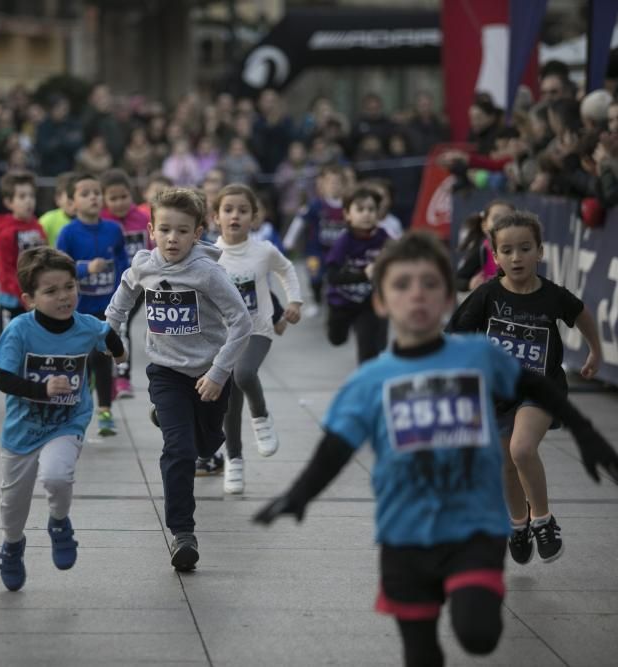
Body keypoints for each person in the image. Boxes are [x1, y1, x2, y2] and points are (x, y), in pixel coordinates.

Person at [254, 231, 618, 667]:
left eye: (429, 284)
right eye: (402, 285)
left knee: (479, 635)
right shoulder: (371, 380)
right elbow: (334, 448)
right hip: (404, 535)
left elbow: (536, 385)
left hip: (474, 528)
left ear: (448, 298)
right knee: (420, 652)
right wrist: (299, 495)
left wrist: (587, 435)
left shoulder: (477, 355)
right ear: (381, 303)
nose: (417, 295)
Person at [105, 188, 251, 571]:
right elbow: (123, 293)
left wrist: (219, 372)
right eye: (165, 230)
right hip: (166, 373)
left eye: (182, 231)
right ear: (151, 229)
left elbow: (242, 322)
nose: (172, 239)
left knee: (207, 440)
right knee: (180, 451)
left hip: (210, 375)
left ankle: (190, 427)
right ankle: (182, 533)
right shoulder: (144, 264)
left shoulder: (208, 272)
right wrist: (110, 329)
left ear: (198, 232)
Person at [447, 212, 603, 565]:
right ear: (495, 256)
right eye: (507, 250)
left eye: (525, 248)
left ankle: (543, 520)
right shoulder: (485, 295)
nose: (516, 257)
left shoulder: (553, 296)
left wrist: (595, 349)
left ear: (540, 252)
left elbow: (581, 315)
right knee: (505, 463)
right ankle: (518, 523)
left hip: (541, 388)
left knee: (521, 449)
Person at [0, 247, 125, 591]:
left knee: (57, 476)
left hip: (68, 422)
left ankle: (59, 523)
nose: (64, 297)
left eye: (69, 287)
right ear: (29, 299)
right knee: (12, 506)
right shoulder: (19, 330)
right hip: (22, 430)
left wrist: (118, 352)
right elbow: (3, 380)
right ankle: (12, 545)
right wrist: (42, 387)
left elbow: (108, 338)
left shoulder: (87, 326)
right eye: (51, 291)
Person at [212, 184, 303, 493]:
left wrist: (294, 302)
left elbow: (287, 269)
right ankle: (234, 461)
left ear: (254, 217)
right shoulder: (210, 255)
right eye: (228, 210)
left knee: (244, 373)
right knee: (229, 405)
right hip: (224, 337)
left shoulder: (263, 250)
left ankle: (262, 417)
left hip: (258, 329)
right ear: (216, 217)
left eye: (242, 210)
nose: (234, 215)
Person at [56, 172, 129, 436]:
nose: (93, 198)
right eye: (85, 194)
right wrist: (86, 268)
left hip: (106, 308)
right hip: (78, 308)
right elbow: (59, 268)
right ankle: (77, 408)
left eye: (97, 192)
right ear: (73, 202)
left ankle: (105, 411)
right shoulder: (68, 233)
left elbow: (122, 259)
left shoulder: (113, 229)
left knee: (103, 356)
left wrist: (124, 283)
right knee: (80, 360)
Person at [325, 186, 391, 364]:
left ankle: (367, 382)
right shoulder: (343, 241)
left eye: (371, 209)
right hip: (341, 302)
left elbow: (397, 258)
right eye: (360, 209)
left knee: (369, 350)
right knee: (336, 339)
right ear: (347, 214)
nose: (366, 214)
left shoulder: (383, 237)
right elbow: (332, 276)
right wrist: (363, 274)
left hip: (367, 303)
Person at [100, 168, 151, 400]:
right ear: (104, 199)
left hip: (138, 286)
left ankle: (122, 378)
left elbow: (153, 248)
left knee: (123, 327)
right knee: (107, 329)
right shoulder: (102, 221)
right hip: (108, 286)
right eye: (113, 198)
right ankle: (103, 375)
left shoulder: (143, 219)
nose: (119, 202)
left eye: (124, 196)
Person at [284, 164, 347, 313]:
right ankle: (317, 301)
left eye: (337, 182)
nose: (334, 185)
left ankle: (335, 301)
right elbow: (300, 220)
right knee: (315, 277)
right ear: (323, 185)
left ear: (343, 185)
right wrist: (289, 240)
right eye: (330, 182)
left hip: (338, 252)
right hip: (315, 251)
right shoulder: (316, 205)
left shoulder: (348, 206)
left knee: (337, 279)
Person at [0, 171, 47, 337]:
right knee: (11, 351)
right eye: (22, 197)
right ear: (9, 202)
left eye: (31, 195)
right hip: (13, 302)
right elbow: (5, 271)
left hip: (35, 299)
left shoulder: (37, 227)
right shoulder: (6, 233)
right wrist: (24, 296)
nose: (28, 201)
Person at [455, 200, 515, 292]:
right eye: (496, 218)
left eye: (508, 219)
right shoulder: (482, 251)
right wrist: (470, 284)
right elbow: (458, 280)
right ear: (484, 226)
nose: (502, 223)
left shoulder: (522, 250)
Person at [39, 171, 77, 246]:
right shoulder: (47, 220)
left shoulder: (89, 220)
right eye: (70, 197)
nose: (75, 202)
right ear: (58, 199)